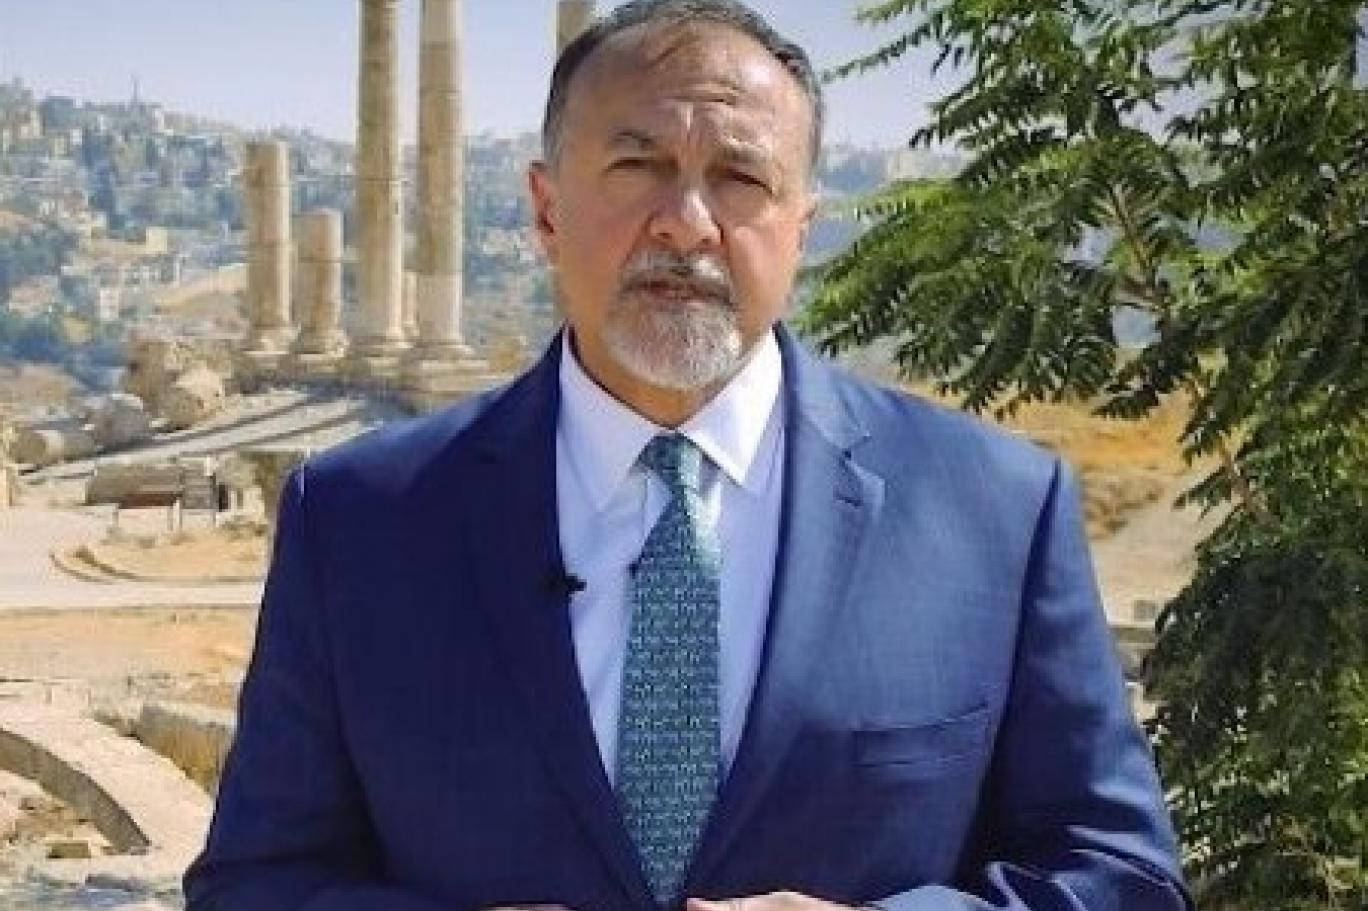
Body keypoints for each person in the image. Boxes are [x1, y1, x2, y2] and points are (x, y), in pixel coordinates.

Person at [184, 2, 1191, 909]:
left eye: (741, 178)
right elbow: (254, 883)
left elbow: (1120, 877)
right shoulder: (358, 520)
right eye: (639, 166)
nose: (686, 222)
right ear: (545, 209)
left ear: (802, 228)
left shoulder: (997, 513)